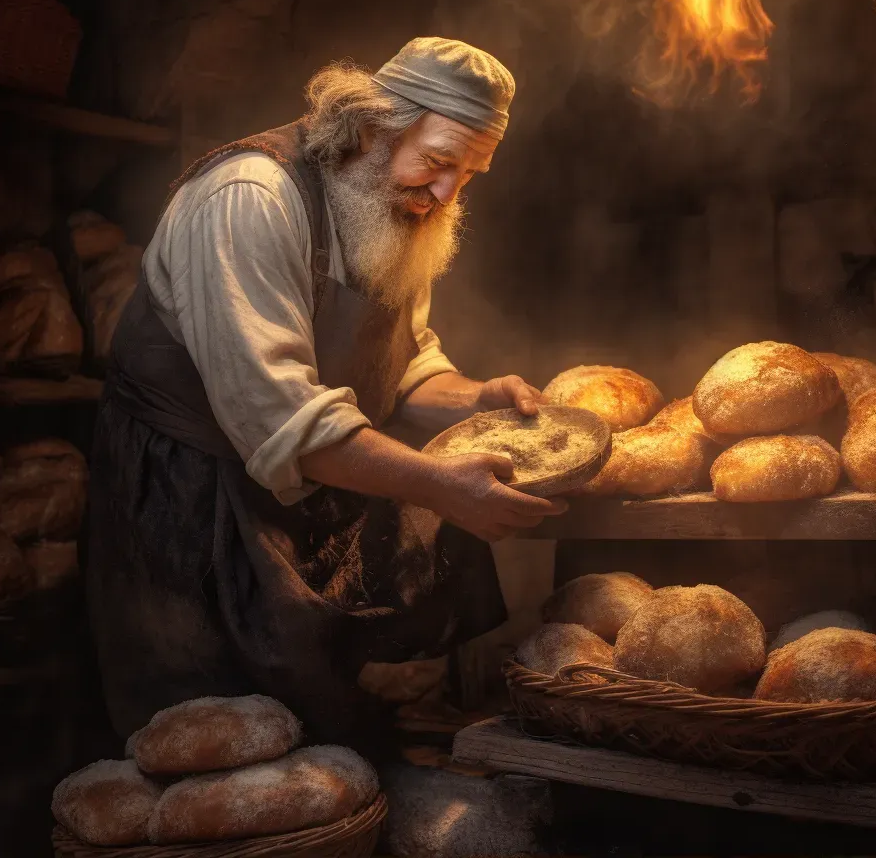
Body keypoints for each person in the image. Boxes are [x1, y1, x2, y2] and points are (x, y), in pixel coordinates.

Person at [86, 37, 566, 744]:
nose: (447, 194)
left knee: (314, 737)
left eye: (470, 173)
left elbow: (399, 366)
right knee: (204, 739)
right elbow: (285, 421)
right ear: (372, 127)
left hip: (295, 487)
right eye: (438, 161)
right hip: (186, 498)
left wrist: (474, 398)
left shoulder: (394, 207)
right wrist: (439, 485)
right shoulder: (249, 198)